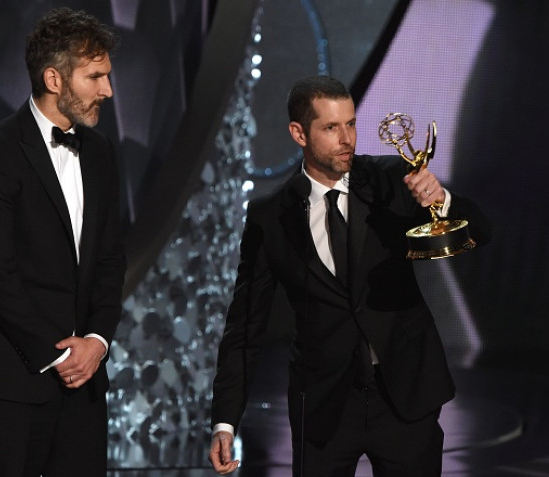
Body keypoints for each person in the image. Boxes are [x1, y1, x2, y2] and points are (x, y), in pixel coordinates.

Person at [209, 75, 491, 476]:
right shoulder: (270, 218)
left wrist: (441, 200)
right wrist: (225, 420)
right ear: (298, 133)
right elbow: (245, 326)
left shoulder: (391, 182)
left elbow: (481, 231)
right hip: (324, 407)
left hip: (404, 398)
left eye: (351, 123)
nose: (347, 139)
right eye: (330, 127)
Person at [0, 8, 125, 476]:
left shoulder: (103, 154)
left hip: (84, 386)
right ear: (54, 78)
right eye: (95, 77)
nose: (108, 90)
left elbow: (111, 260)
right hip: (9, 385)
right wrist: (59, 354)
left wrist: (96, 342)